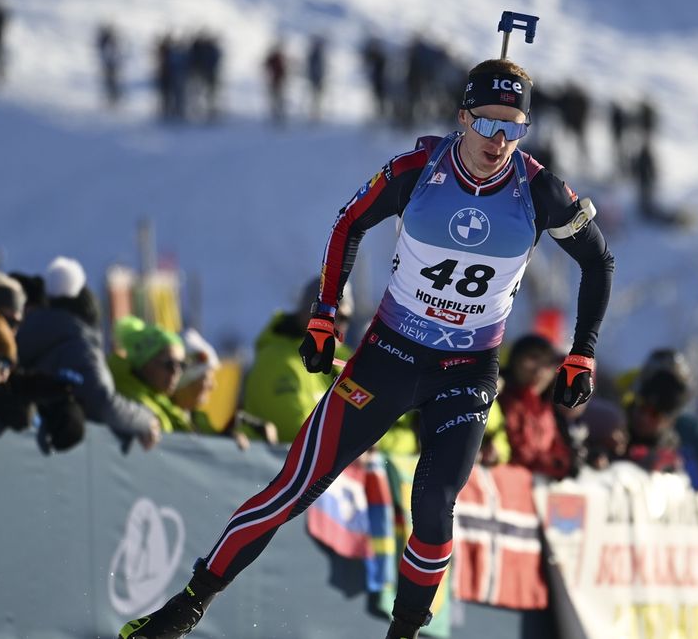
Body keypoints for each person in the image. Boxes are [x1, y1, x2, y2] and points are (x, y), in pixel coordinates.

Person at [120, 55, 614, 639]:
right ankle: (187, 606)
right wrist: (324, 315)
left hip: (468, 370)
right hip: (391, 355)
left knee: (434, 505)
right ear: (462, 117)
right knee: (295, 485)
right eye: (487, 124)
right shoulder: (418, 169)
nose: (498, 140)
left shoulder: (541, 191)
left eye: (513, 128)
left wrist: (582, 351)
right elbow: (349, 221)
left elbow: (598, 261)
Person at [15, 257, 160, 451]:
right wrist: (145, 419)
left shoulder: (22, 335)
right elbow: (102, 402)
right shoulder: (80, 344)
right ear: (89, 313)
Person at [243, 279, 354, 442]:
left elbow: (372, 422)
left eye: (344, 318)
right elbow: (295, 431)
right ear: (307, 313)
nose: (338, 325)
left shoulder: (340, 363)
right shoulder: (276, 360)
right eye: (329, 316)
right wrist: (354, 444)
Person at [499, 334, 574, 479]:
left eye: (547, 364)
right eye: (533, 359)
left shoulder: (548, 409)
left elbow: (557, 447)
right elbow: (517, 450)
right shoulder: (498, 398)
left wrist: (564, 463)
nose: (539, 371)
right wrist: (547, 464)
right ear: (515, 360)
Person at [110, 316, 192, 433]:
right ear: (144, 363)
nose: (176, 372)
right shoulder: (130, 400)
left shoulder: (159, 398)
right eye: (170, 364)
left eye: (183, 365)